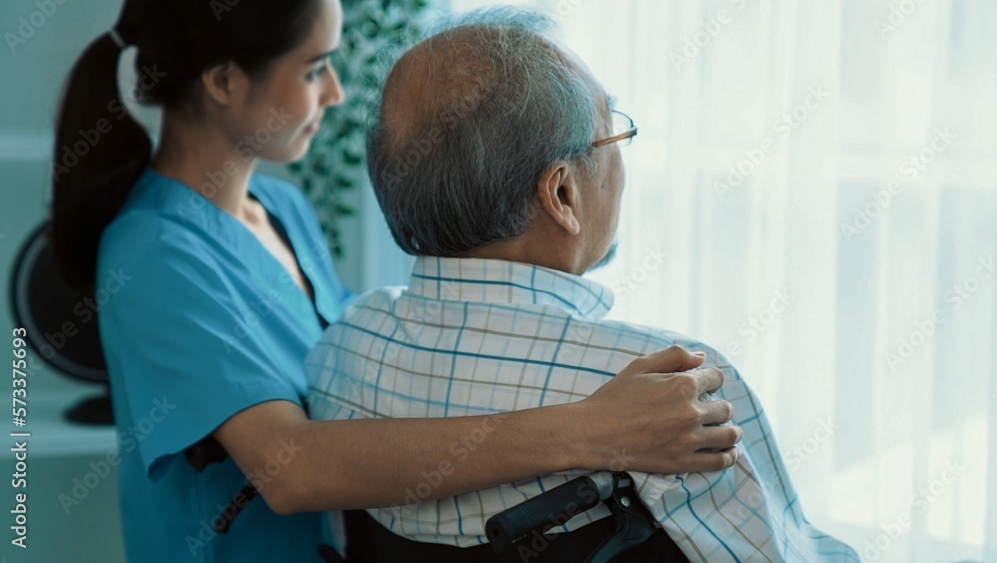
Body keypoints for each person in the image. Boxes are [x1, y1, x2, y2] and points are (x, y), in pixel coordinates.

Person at [49, 1, 742, 561]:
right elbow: (292, 468)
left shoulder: (283, 210)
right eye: (315, 67)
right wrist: (593, 430)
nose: (337, 92)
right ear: (225, 80)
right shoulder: (152, 253)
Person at [306, 8, 859, 562]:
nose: (620, 154)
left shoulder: (342, 347)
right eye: (612, 130)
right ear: (562, 195)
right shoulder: (666, 387)